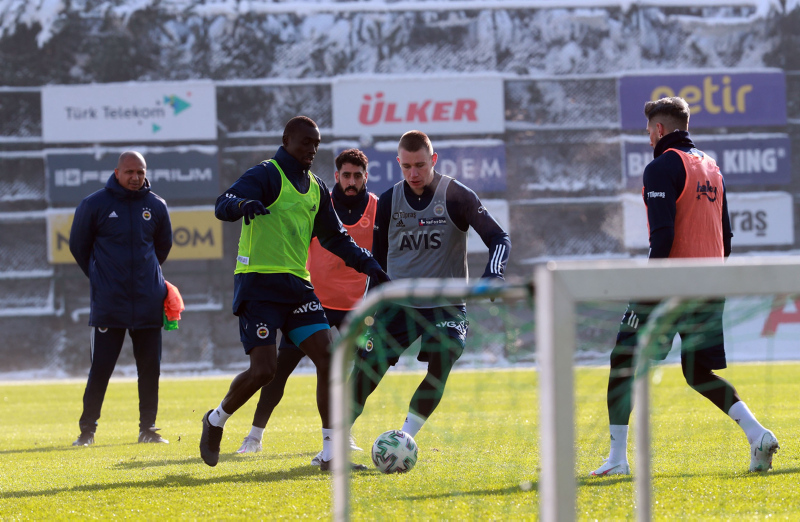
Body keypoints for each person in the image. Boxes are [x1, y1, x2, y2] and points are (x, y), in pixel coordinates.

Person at [590, 96, 779, 476]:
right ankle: (757, 434)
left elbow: (662, 238)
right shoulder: (712, 168)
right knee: (697, 372)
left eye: (648, 131)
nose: (648, 138)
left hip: (671, 285)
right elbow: (726, 236)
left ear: (659, 129)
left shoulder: (661, 167)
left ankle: (617, 460)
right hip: (710, 284)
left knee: (622, 360)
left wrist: (646, 291)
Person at [200, 117, 390, 471]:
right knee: (264, 371)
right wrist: (243, 206)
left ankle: (332, 453)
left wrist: (368, 264)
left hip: (298, 287)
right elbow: (222, 203)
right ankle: (215, 419)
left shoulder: (317, 187)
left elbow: (335, 237)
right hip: (258, 285)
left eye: (316, 143)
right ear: (287, 140)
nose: (312, 149)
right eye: (306, 142)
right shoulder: (266, 174)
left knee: (329, 359)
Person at [348, 130, 511, 441]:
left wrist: (494, 272)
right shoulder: (387, 201)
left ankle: (405, 438)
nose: (414, 173)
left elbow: (499, 237)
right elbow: (377, 264)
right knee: (364, 373)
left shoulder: (457, 195)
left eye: (420, 165)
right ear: (398, 163)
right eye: (406, 166)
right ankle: (333, 443)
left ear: (433, 160)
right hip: (399, 304)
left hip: (445, 304)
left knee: (443, 356)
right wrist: (368, 316)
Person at [236, 148, 378, 464]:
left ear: (365, 177)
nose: (351, 181)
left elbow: (376, 254)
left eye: (357, 175)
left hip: (355, 309)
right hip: (312, 303)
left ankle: (340, 437)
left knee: (343, 374)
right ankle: (254, 435)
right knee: (277, 371)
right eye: (346, 175)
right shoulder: (317, 200)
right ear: (338, 175)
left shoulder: (378, 210)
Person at [69, 151, 173, 446]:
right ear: (117, 172)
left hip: (148, 302)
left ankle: (148, 429)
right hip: (109, 303)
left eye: (140, 172)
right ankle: (87, 432)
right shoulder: (94, 204)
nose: (135, 177)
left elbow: (162, 248)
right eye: (129, 172)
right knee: (101, 369)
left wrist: (146, 278)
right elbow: (79, 247)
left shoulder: (156, 206)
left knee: (150, 369)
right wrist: (102, 277)